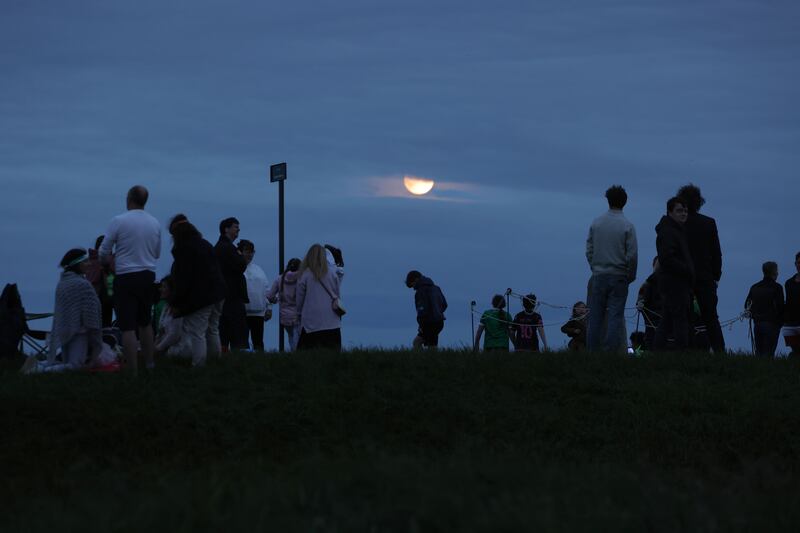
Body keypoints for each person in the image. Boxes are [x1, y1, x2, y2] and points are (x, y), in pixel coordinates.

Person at [98, 185, 161, 375]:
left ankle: (132, 369)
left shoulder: (118, 221)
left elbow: (104, 251)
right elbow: (156, 253)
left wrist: (107, 262)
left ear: (129, 199)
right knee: (145, 322)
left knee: (127, 326)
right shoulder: (154, 223)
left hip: (125, 276)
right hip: (148, 275)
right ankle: (150, 364)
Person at [585, 185, 638, 352]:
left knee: (595, 316)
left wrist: (595, 267)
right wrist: (630, 275)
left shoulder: (597, 223)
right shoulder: (627, 225)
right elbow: (632, 254)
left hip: (599, 274)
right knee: (615, 315)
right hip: (619, 275)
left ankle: (592, 350)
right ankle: (611, 351)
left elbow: (589, 249)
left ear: (608, 200)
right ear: (625, 202)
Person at [32, 249, 103, 372]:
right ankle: (39, 369)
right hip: (80, 332)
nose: (89, 264)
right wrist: (94, 334)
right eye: (85, 261)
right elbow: (90, 314)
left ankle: (40, 365)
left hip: (65, 331)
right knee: (76, 366)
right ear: (77, 264)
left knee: (66, 362)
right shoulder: (83, 285)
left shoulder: (63, 283)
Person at [169, 216, 226, 366]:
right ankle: (216, 362)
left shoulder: (182, 249)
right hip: (218, 293)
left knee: (197, 332)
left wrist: (176, 302)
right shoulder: (204, 244)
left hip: (201, 297)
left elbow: (183, 279)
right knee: (212, 329)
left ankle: (199, 365)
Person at [677, 184, 725, 353]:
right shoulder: (709, 223)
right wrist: (716, 276)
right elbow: (716, 253)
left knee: (685, 317)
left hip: (683, 277)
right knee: (711, 318)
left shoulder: (678, 224)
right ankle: (720, 352)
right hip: (705, 276)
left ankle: (688, 351)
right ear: (699, 202)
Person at [653, 197, 694, 351]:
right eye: (679, 211)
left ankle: (658, 351)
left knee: (668, 319)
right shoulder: (669, 232)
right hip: (675, 282)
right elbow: (667, 258)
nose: (683, 214)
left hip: (674, 281)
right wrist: (686, 269)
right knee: (678, 319)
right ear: (670, 212)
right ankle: (681, 352)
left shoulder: (675, 230)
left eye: (685, 211)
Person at [296, 243, 344, 351]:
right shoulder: (333, 273)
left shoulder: (305, 274)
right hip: (332, 323)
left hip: (311, 324)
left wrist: (298, 314)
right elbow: (337, 294)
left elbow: (299, 299)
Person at [215, 217, 249, 351]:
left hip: (222, 296)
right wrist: (241, 256)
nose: (238, 230)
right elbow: (241, 265)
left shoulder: (218, 247)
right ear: (226, 229)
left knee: (223, 334)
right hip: (232, 297)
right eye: (235, 227)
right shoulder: (228, 248)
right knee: (238, 334)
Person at [237, 240, 272, 351]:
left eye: (252, 252)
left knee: (258, 342)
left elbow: (266, 289)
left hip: (258, 312)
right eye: (247, 251)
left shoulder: (259, 270)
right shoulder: (236, 269)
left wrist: (269, 307)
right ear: (240, 252)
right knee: (242, 343)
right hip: (242, 312)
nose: (250, 254)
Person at [744, 261, 784, 357]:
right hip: (771, 324)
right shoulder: (777, 287)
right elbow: (781, 307)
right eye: (777, 271)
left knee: (759, 352)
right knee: (768, 354)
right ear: (774, 272)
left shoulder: (754, 287)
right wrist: (780, 323)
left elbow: (747, 305)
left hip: (757, 324)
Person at [405, 270, 448, 349]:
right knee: (432, 345)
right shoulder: (436, 288)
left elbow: (422, 311)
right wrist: (438, 312)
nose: (413, 288)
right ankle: (431, 360)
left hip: (429, 323)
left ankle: (422, 361)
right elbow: (444, 305)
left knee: (417, 343)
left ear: (416, 279)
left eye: (412, 284)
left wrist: (421, 325)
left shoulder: (420, 292)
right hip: (439, 322)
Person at [267, 258, 302, 351]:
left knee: (291, 337)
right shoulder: (301, 278)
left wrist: (276, 300)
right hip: (298, 315)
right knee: (298, 339)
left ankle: (293, 354)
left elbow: (270, 296)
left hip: (285, 316)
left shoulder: (280, 279)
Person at [153, 275, 190, 358]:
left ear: (172, 290)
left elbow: (174, 334)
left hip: (179, 350)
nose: (160, 289)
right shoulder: (166, 306)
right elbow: (160, 331)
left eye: (164, 287)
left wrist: (157, 349)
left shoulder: (177, 309)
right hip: (168, 348)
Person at [85, 235, 114, 327]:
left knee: (97, 323)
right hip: (106, 294)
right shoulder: (109, 260)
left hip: (95, 295)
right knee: (105, 322)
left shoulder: (90, 261)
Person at [636, 257, 663, 350]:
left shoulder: (647, 283)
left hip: (653, 323)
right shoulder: (648, 284)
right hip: (654, 323)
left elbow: (639, 303)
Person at [781, 252, 800, 356]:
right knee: (795, 351)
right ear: (795, 264)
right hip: (791, 323)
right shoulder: (789, 282)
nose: (799, 265)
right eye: (798, 262)